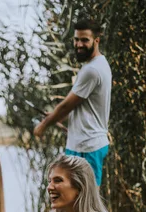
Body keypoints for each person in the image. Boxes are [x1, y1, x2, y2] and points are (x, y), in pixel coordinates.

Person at [34, 19, 111, 186]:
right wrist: (57, 119)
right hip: (83, 144)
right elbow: (83, 108)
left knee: (86, 205)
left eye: (85, 40)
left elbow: (66, 105)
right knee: (73, 203)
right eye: (76, 39)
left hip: (87, 148)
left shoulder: (92, 70)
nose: (79, 44)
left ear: (96, 41)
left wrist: (44, 124)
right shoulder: (95, 64)